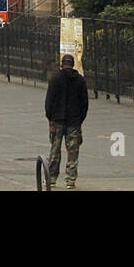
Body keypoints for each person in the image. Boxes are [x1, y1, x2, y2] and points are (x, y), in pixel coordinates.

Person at [44, 53, 89, 189]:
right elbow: (84, 104)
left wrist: (50, 118)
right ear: (73, 64)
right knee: (73, 152)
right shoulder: (80, 81)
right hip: (74, 121)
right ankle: (70, 180)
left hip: (57, 120)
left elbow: (49, 102)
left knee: (55, 150)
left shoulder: (55, 78)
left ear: (62, 64)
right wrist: (79, 119)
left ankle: (51, 178)